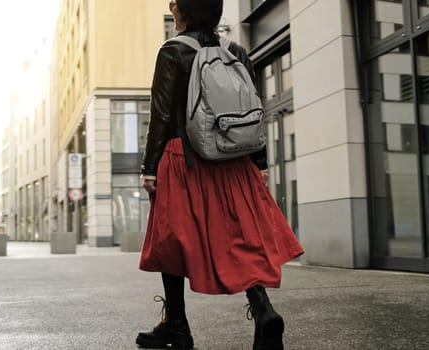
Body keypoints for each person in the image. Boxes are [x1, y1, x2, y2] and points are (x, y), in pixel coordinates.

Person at [136, 0, 304, 349]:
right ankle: (263, 311)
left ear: (181, 10)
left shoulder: (172, 52)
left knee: (172, 240)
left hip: (184, 159)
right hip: (233, 160)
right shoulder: (236, 50)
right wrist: (259, 164)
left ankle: (178, 325)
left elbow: (162, 116)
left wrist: (149, 168)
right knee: (241, 238)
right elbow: (252, 108)